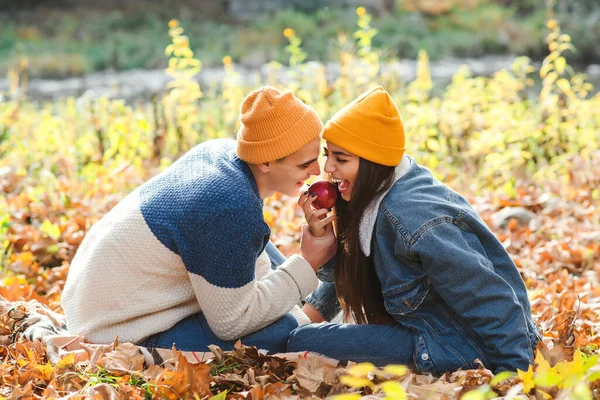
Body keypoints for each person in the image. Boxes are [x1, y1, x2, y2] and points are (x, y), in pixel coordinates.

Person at [62, 86, 337, 353]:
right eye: (304, 164)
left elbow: (249, 252)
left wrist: (301, 272)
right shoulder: (227, 204)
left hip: (94, 295)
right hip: (116, 328)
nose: (316, 171)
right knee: (282, 331)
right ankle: (312, 321)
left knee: (266, 257)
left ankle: (308, 314)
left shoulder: (226, 158)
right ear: (265, 162)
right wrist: (308, 263)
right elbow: (230, 324)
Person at [287, 86, 542, 374]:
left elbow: (487, 296)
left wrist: (516, 375)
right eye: (328, 155)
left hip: (455, 343)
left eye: (341, 159)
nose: (328, 168)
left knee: (298, 340)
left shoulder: (415, 221)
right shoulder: (380, 189)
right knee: (299, 331)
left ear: (373, 161)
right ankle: (304, 316)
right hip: (429, 327)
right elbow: (357, 270)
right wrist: (323, 240)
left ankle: (299, 323)